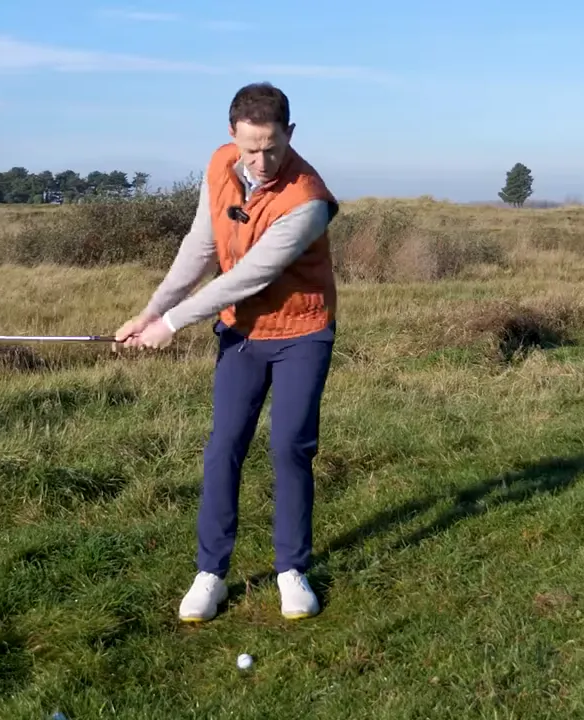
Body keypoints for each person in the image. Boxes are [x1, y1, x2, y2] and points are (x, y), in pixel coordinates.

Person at [115, 83, 338, 622]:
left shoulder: (307, 199)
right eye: (249, 148)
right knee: (223, 448)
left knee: (289, 447)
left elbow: (251, 275)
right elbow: (201, 245)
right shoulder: (221, 165)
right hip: (242, 335)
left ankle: (291, 570)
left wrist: (172, 324)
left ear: (291, 132)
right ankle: (210, 573)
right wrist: (152, 310)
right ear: (232, 137)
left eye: (272, 146)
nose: (260, 161)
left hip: (301, 332)